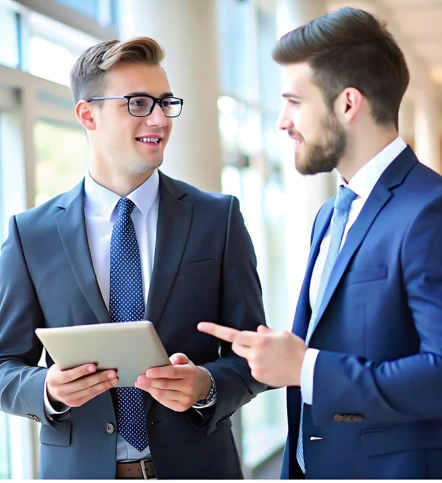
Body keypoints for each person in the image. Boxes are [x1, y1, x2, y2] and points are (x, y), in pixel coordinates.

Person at [0, 36, 266, 479]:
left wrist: (207, 386)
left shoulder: (218, 218)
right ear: (88, 114)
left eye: (165, 102)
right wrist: (46, 389)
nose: (159, 118)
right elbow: (5, 364)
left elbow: (254, 354)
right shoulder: (31, 234)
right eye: (139, 103)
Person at [198, 6, 442, 479]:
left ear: (347, 104)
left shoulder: (429, 211)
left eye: (293, 102)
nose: (282, 122)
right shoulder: (329, 214)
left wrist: (307, 368)